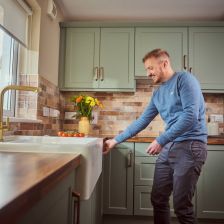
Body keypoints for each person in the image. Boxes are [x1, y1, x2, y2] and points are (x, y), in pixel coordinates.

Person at [103, 49, 207, 224]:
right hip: (170, 146)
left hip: (191, 146)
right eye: (147, 69)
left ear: (164, 63)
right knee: (158, 199)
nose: (148, 73)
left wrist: (161, 140)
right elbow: (142, 121)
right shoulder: (158, 93)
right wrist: (115, 140)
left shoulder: (185, 80)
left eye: (150, 68)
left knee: (182, 206)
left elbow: (190, 117)